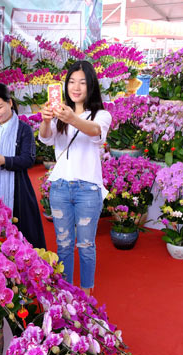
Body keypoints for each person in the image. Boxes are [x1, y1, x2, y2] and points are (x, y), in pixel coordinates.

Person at [38, 61, 112, 295]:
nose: (76, 87)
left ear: (91, 86)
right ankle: (66, 293)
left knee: (86, 245)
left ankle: (86, 294)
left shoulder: (101, 115)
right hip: (59, 187)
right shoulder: (59, 112)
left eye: (82, 82)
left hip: (88, 190)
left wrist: (71, 118)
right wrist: (47, 119)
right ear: (65, 85)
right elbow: (45, 138)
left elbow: (94, 131)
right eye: (71, 81)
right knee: (64, 244)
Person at [0, 83, 46, 249]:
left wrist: (4, 161)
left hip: (18, 191)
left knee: (23, 238)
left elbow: (28, 160)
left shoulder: (23, 129)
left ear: (10, 103)